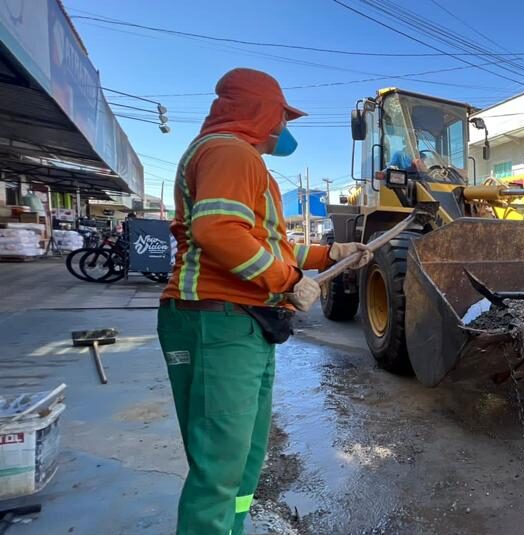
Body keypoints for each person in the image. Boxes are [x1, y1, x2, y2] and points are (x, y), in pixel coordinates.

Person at [157, 68, 371, 535]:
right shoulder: (229, 152)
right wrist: (289, 280)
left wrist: (328, 253)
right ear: (261, 112)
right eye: (281, 117)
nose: (284, 129)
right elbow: (218, 232)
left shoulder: (241, 160)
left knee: (244, 457)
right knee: (219, 465)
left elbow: (266, 243)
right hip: (215, 320)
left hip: (242, 324)